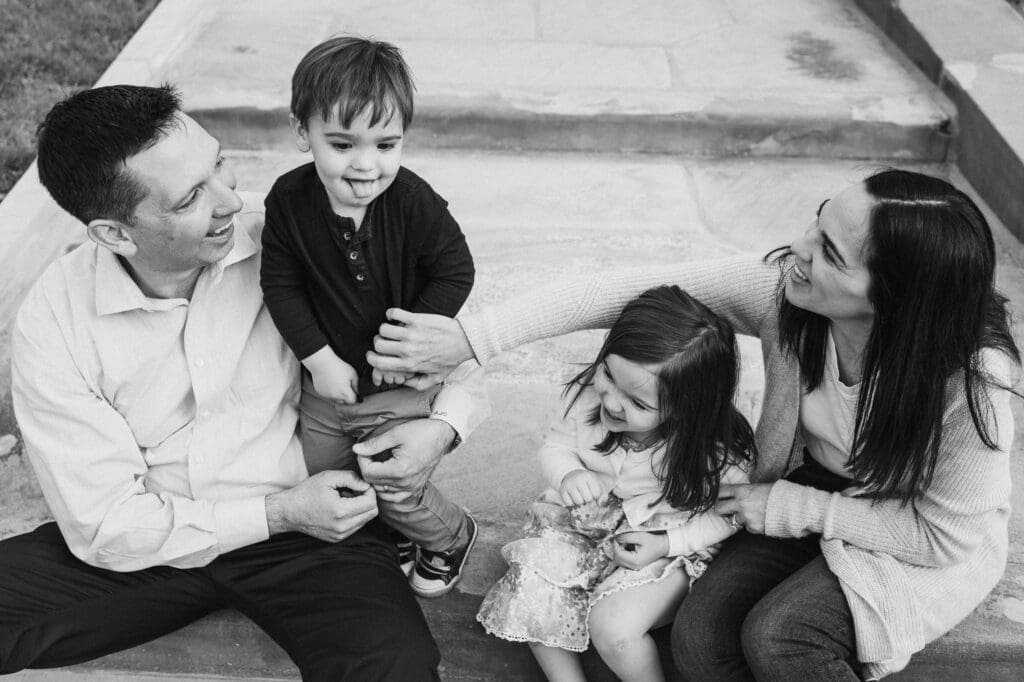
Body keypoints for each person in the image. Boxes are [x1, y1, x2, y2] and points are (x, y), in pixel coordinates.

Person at [366, 169, 1019, 679]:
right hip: (800, 492)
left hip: (907, 532)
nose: (799, 248)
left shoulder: (973, 383)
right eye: (817, 222)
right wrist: (471, 338)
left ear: (897, 297)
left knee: (781, 633)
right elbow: (622, 291)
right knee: (701, 638)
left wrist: (798, 508)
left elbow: (942, 539)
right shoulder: (787, 294)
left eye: (831, 253)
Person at [0, 83, 484, 681]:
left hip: (318, 529)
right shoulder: (56, 316)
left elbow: (453, 346)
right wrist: (277, 512)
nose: (230, 200)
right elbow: (105, 526)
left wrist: (444, 428)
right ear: (115, 234)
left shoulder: (292, 231)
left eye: (220, 164)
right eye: (190, 199)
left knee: (393, 669)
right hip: (155, 541)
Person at [260, 35, 479, 598]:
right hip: (328, 386)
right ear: (300, 131)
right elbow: (280, 284)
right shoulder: (288, 201)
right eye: (341, 143)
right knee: (328, 476)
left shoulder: (412, 201)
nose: (366, 164)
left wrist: (407, 344)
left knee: (392, 480)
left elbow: (455, 270)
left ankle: (449, 534)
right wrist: (318, 358)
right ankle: (395, 532)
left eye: (386, 144)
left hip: (398, 385)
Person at [477, 286, 755, 682]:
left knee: (614, 631)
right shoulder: (587, 397)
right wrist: (569, 474)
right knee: (534, 590)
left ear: (689, 410)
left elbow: (730, 516)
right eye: (608, 374)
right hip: (579, 526)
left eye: (639, 404)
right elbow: (556, 444)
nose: (610, 402)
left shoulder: (711, 452)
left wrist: (665, 544)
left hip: (663, 539)